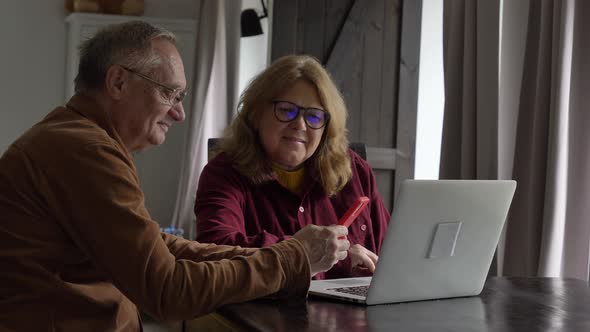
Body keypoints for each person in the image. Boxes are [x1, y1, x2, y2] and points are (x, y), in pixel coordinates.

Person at [0, 22, 351, 331]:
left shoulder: (75, 137)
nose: (180, 113)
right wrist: (292, 259)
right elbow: (168, 290)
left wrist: (290, 255)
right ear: (118, 82)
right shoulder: (86, 150)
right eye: (171, 93)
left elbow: (159, 247)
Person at [195, 55, 390, 280]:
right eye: (286, 110)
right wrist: (315, 254)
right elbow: (216, 249)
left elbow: (391, 252)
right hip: (264, 311)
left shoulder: (356, 171)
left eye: (314, 116)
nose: (299, 124)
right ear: (256, 114)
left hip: (353, 312)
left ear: (327, 127)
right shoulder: (224, 173)